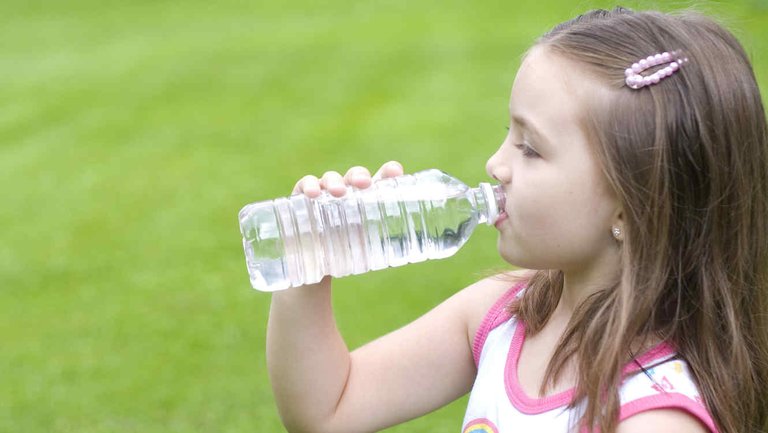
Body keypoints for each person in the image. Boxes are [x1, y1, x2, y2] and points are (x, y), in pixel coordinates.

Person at [265, 7, 768, 433]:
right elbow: (329, 408)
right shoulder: (506, 314)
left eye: (530, 148)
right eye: (508, 132)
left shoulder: (651, 417)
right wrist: (308, 269)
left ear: (631, 207)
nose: (496, 165)